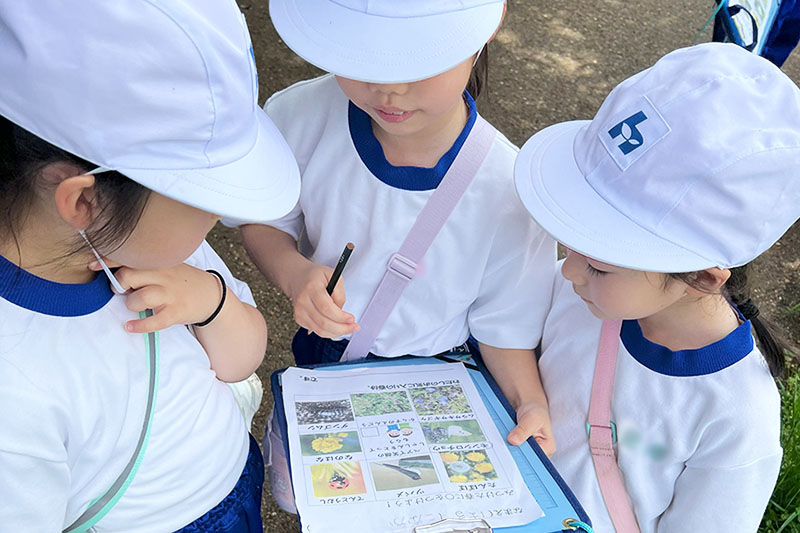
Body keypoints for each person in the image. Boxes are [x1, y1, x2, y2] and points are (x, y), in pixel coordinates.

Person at [238, 0, 557, 512]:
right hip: (329, 360)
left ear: (485, 29)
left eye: (416, 61)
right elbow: (262, 219)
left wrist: (530, 401)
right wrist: (297, 275)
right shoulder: (299, 114)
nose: (388, 89)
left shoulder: (510, 191)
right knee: (333, 509)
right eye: (361, 57)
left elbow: (506, 328)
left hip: (438, 386)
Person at [0, 1, 300, 531]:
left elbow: (240, 359)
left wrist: (211, 301)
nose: (221, 214)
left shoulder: (148, 247)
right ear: (83, 201)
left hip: (234, 478)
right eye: (203, 194)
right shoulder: (15, 388)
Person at [513, 42, 799, 532]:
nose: (567, 271)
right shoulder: (582, 297)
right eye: (574, 244)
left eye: (598, 265)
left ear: (703, 279)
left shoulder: (736, 415)